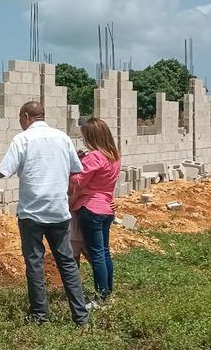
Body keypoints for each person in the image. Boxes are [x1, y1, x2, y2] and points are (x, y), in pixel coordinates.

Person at [0, 101, 88, 326]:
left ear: (26, 116)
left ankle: (40, 318)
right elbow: (76, 168)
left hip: (31, 214)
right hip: (58, 212)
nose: (19, 121)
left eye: (19, 117)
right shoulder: (63, 138)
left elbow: (3, 172)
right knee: (67, 264)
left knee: (34, 264)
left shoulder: (22, 139)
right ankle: (81, 318)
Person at [70, 118, 121, 302]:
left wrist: (74, 166)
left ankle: (102, 297)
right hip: (106, 208)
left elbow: (76, 182)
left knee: (97, 254)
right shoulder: (114, 156)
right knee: (104, 252)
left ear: (91, 136)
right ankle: (107, 294)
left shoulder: (94, 156)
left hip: (90, 208)